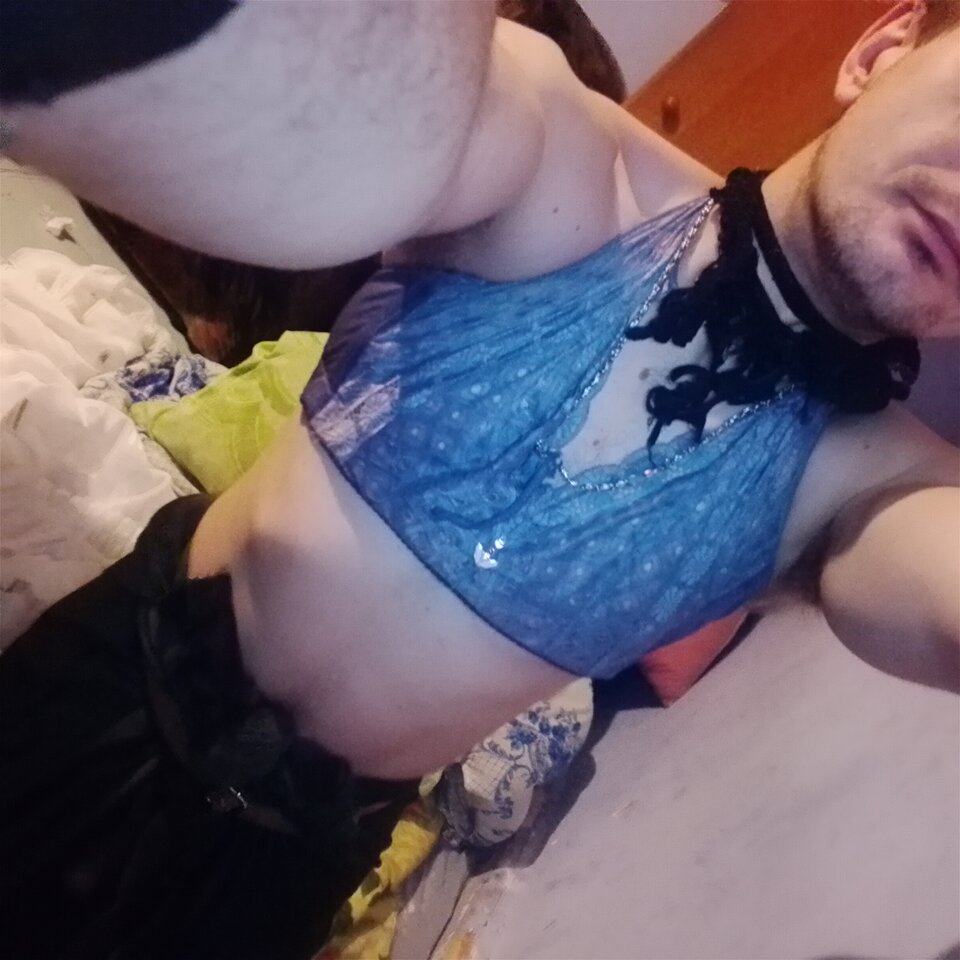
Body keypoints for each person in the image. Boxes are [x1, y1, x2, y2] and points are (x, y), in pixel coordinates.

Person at [1, 1, 958, 958]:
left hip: (277, 873)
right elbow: (363, 115)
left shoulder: (884, 481)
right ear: (881, 49)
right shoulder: (554, 150)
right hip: (86, 692)